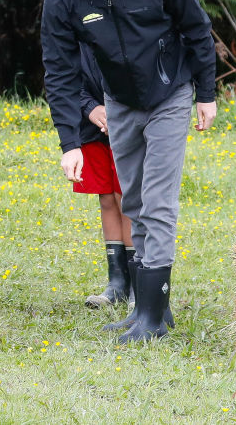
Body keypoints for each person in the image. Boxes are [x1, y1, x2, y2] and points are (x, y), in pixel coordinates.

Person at [41, 0, 217, 342]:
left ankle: (153, 321)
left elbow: (197, 29)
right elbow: (59, 72)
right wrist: (70, 142)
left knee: (156, 202)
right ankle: (147, 307)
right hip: (118, 102)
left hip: (169, 95)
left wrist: (206, 94)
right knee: (133, 201)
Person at [76, 43, 134, 309]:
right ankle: (117, 284)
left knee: (128, 200)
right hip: (90, 123)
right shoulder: (71, 23)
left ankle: (139, 283)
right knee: (107, 198)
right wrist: (90, 107)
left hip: (129, 117)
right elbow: (62, 75)